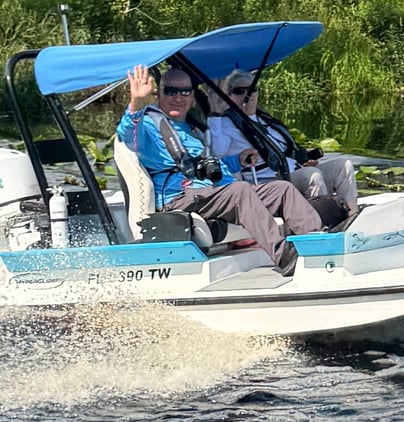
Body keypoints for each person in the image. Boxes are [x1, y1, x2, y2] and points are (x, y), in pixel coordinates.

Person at [116, 65, 321, 273]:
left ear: (192, 96)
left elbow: (209, 166)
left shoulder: (191, 129)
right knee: (239, 191)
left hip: (208, 195)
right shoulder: (149, 126)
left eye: (185, 91)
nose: (178, 97)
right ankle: (285, 257)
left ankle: (319, 248)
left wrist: (236, 161)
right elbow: (128, 136)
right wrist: (136, 103)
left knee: (281, 189)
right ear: (159, 93)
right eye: (171, 91)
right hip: (179, 198)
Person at [207, 69, 359, 215]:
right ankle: (322, 222)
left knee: (343, 166)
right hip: (268, 181)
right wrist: (216, 114)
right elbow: (218, 151)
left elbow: (282, 149)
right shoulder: (225, 122)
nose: (248, 95)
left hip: (292, 171)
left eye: (252, 90)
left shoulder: (265, 119)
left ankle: (351, 215)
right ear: (227, 95)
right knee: (312, 175)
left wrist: (300, 161)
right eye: (240, 91)